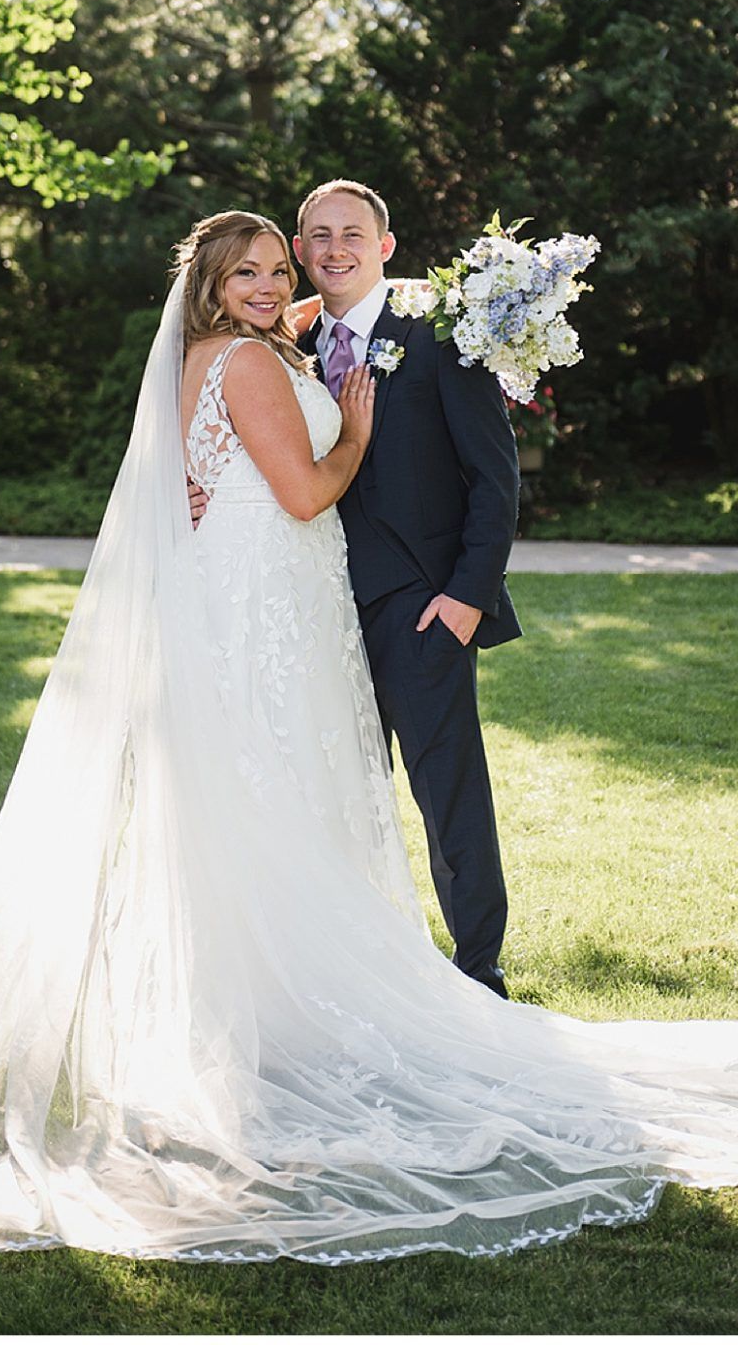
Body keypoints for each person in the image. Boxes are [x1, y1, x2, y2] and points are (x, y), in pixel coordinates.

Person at [0, 210, 738, 1265]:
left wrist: (339, 311)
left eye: (280, 267)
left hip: (268, 607)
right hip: (276, 603)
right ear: (211, 285)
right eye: (250, 270)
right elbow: (303, 492)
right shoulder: (251, 363)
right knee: (285, 802)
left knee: (270, 806)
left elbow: (331, 410)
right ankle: (289, 1020)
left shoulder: (247, 344)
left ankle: (267, 1021)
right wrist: (350, 422)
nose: (272, 284)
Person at [292, 179, 519, 997]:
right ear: (297, 250)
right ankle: (358, 963)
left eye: (351, 232)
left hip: (422, 606)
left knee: (447, 789)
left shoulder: (438, 335)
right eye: (317, 235)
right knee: (338, 794)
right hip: (315, 607)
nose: (334, 249)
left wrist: (465, 595)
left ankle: (478, 970)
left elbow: (494, 478)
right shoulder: (289, 341)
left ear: (385, 246)